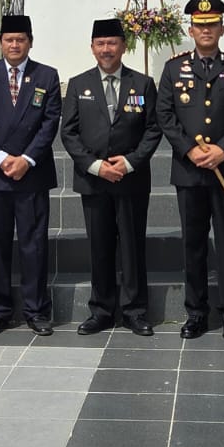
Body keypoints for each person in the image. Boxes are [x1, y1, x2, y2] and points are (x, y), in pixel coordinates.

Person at [155, 0, 224, 341]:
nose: (205, 30)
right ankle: (196, 312)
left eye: (212, 25)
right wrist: (189, 150)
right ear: (191, 29)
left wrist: (222, 150)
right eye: (200, 25)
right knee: (193, 243)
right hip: (190, 170)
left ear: (222, 29)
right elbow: (165, 116)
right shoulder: (173, 68)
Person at [60, 17, 163, 336]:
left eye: (112, 43)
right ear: (92, 48)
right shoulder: (78, 84)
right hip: (93, 180)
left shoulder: (143, 83)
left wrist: (129, 162)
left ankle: (134, 310)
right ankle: (102, 310)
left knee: (132, 246)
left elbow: (153, 129)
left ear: (124, 46)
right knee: (99, 246)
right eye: (101, 44)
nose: (107, 49)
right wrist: (96, 166)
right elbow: (69, 132)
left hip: (130, 178)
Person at [0, 14, 60, 336]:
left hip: (32, 174)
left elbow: (50, 123)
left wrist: (27, 159)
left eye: (21, 39)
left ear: (30, 42)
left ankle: (36, 310)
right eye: (9, 39)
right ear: (1, 42)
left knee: (34, 244)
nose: (15, 45)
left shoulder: (47, 76)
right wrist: (2, 157)